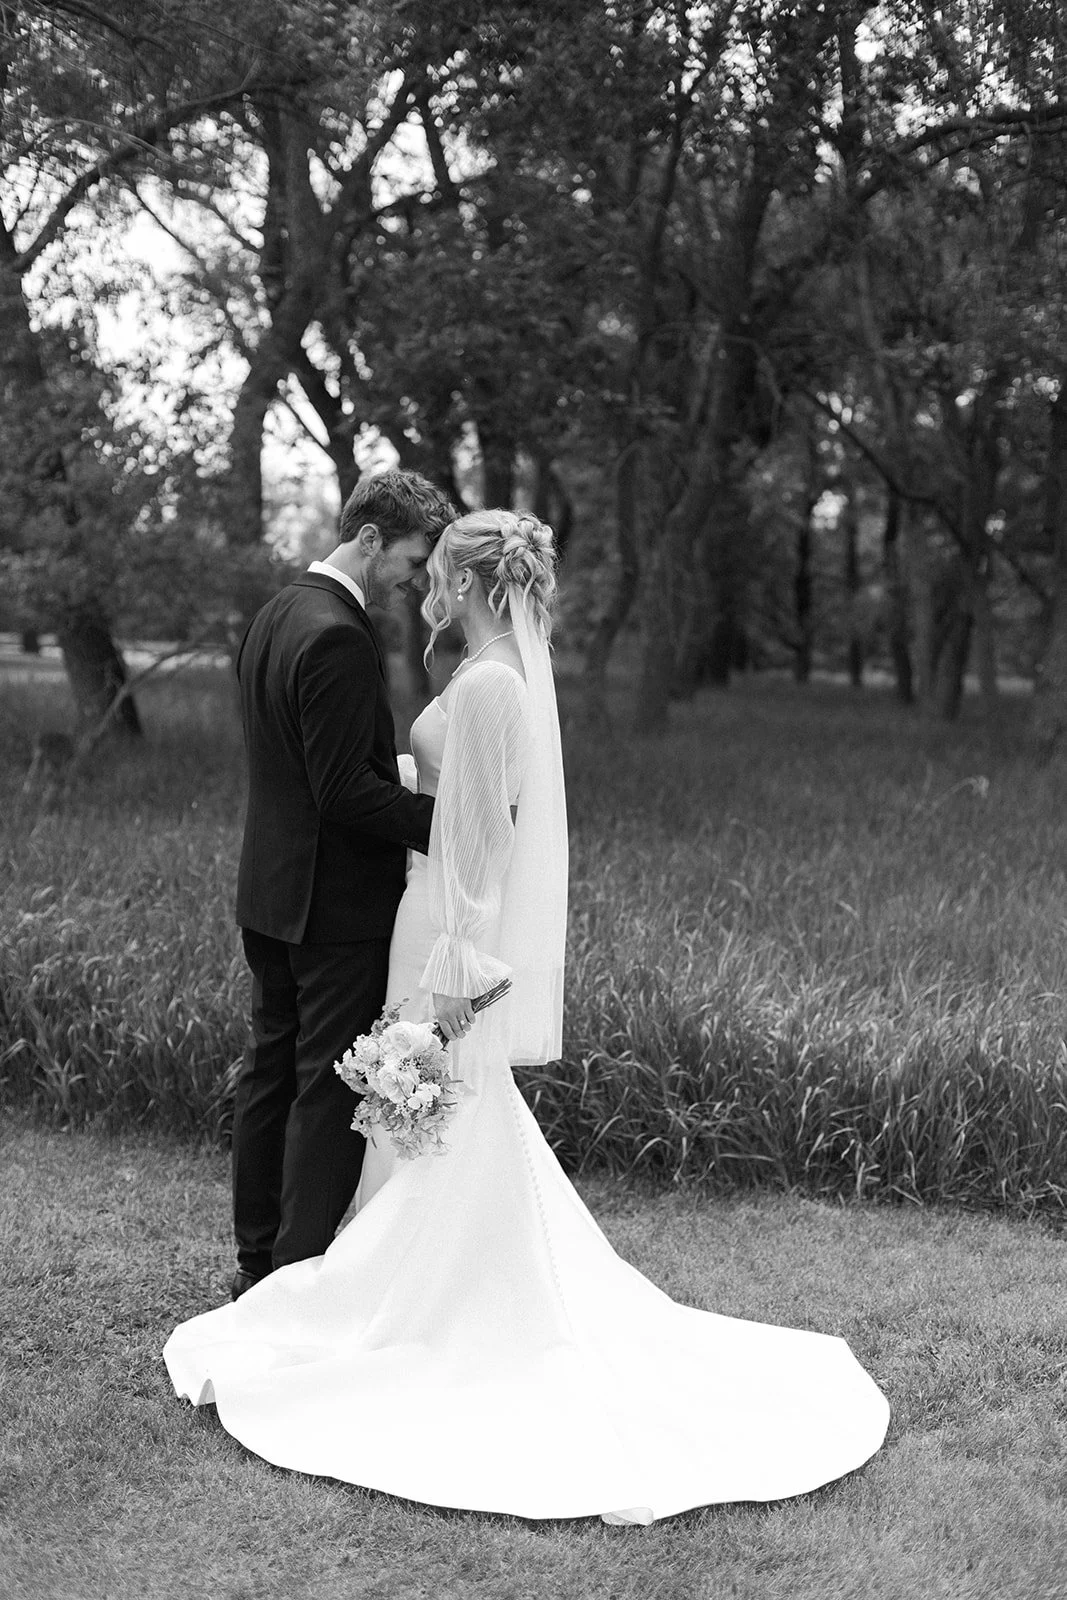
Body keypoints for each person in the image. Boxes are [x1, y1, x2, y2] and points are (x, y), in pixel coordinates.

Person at [165, 510, 889, 1524]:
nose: (421, 584)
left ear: (465, 582)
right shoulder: (484, 677)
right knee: (432, 1123)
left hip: (440, 932)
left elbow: (485, 850)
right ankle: (370, 1276)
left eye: (436, 571)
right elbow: (465, 815)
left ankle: (418, 1298)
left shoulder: (494, 685)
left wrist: (449, 990)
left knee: (440, 1108)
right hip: (422, 914)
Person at [227, 468, 454, 1301]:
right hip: (331, 906)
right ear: (368, 540)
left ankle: (258, 1257)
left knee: (271, 1071)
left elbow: (298, 767)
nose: (417, 578)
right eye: (412, 559)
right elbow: (343, 792)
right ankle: (296, 1277)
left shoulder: (275, 614)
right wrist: (451, 825)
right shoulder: (337, 633)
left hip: (271, 892)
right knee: (325, 1084)